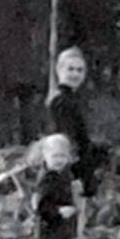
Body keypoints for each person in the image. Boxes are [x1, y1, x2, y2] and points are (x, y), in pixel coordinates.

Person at [45, 46, 104, 201]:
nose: (75, 74)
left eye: (80, 70)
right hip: (66, 170)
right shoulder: (61, 101)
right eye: (70, 69)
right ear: (59, 70)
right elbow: (65, 138)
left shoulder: (72, 99)